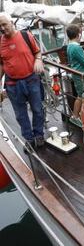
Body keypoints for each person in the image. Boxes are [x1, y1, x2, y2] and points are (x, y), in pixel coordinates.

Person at [0, 13, 45, 149]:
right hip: (12, 84)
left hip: (31, 79)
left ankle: (39, 135)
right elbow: (1, 64)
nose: (2, 28)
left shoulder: (26, 36)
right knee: (20, 115)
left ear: (12, 22)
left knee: (37, 109)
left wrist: (38, 60)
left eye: (4, 24)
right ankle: (29, 139)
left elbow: (37, 52)